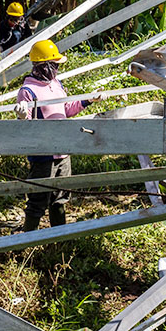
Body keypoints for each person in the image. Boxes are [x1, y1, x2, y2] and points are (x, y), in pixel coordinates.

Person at [14, 39, 102, 231]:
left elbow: (67, 109)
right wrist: (22, 116)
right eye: (54, 65)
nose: (57, 68)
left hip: (62, 150)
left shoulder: (56, 84)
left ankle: (58, 236)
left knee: (60, 197)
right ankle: (27, 238)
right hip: (43, 154)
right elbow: (27, 127)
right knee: (38, 198)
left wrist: (88, 99)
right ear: (43, 66)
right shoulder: (28, 91)